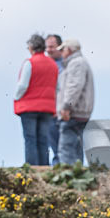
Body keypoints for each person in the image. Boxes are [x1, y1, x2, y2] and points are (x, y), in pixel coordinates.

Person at [14, 34, 58, 166]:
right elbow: (56, 86)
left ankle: (32, 166)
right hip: (47, 107)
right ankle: (44, 166)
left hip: (29, 106)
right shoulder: (53, 64)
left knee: (30, 138)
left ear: (32, 46)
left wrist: (16, 97)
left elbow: (23, 85)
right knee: (43, 139)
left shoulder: (30, 63)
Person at [56, 38, 95, 165]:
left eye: (62, 49)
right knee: (76, 149)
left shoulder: (76, 63)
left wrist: (67, 106)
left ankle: (68, 179)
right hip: (80, 112)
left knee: (66, 149)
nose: (61, 53)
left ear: (69, 49)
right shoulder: (80, 62)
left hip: (73, 112)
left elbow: (74, 87)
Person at [45, 34, 64, 165]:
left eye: (52, 47)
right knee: (54, 147)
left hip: (63, 111)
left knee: (65, 147)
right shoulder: (46, 64)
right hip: (50, 111)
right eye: (47, 47)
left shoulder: (67, 65)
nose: (49, 50)